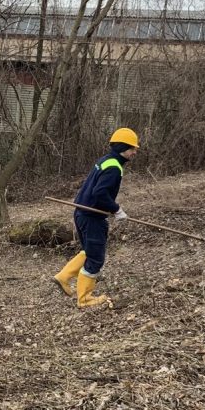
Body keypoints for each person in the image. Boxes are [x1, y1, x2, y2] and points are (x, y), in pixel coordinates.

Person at [53, 128, 140, 309]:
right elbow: (99, 193)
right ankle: (84, 299)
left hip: (82, 213)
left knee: (88, 250)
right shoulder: (114, 167)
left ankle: (63, 277)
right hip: (92, 217)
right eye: (132, 148)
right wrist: (116, 209)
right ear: (123, 147)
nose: (134, 152)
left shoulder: (106, 160)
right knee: (96, 258)